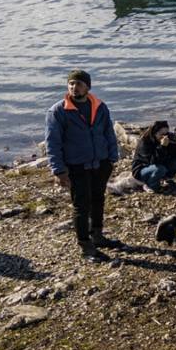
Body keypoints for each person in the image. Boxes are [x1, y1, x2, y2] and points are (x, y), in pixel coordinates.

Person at [44, 69, 121, 261]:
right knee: (81, 206)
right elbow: (52, 143)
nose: (74, 87)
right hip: (76, 166)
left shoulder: (100, 107)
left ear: (88, 86)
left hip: (101, 163)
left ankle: (98, 236)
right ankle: (86, 247)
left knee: (98, 200)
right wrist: (59, 170)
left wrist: (112, 158)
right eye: (71, 84)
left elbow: (109, 134)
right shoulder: (58, 111)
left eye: (78, 84)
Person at [131, 121, 176, 191]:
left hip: (159, 165)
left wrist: (174, 144)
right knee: (160, 169)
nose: (165, 136)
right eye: (162, 134)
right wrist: (162, 147)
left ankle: (166, 178)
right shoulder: (145, 142)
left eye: (166, 134)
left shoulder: (166, 140)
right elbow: (152, 161)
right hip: (142, 170)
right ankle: (149, 185)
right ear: (155, 133)